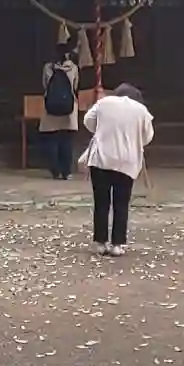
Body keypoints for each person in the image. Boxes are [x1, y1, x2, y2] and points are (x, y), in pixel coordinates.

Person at [80, 82, 153, 256]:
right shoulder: (141, 110)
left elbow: (88, 121)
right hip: (127, 161)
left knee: (101, 202)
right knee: (121, 203)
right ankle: (117, 245)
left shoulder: (104, 103)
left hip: (101, 158)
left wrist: (102, 131)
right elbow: (147, 136)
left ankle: (100, 243)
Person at [39, 42, 81, 180]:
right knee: (67, 141)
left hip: (51, 107)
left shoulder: (48, 68)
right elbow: (75, 86)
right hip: (68, 109)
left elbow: (45, 85)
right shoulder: (73, 68)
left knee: (52, 140)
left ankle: (55, 170)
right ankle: (66, 172)